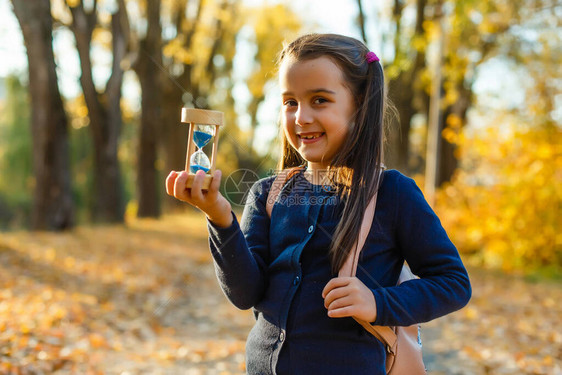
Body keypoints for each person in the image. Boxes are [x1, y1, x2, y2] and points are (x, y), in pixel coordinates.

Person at [166, 33, 471, 375]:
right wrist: (220, 218)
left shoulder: (392, 193)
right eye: (290, 102)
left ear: (360, 105)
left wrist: (378, 302)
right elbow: (245, 293)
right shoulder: (267, 194)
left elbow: (453, 283)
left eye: (320, 100)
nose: (300, 117)